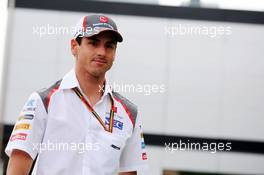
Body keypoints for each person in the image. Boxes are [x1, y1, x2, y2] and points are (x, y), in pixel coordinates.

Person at [5, 14, 148, 175]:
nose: (102, 52)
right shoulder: (43, 101)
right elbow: (16, 169)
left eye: (109, 46)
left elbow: (130, 172)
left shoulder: (129, 113)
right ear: (74, 46)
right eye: (93, 43)